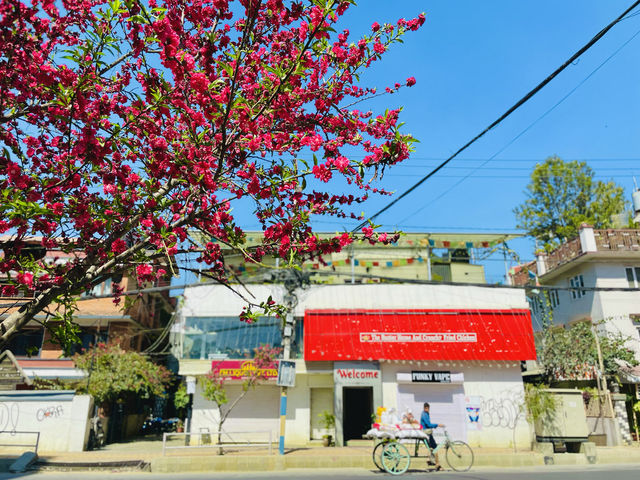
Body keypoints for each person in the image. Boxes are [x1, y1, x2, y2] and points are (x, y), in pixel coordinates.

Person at [420, 402, 445, 470]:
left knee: (431, 447)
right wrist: (438, 425)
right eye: (427, 408)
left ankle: (429, 459)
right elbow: (428, 425)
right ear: (425, 408)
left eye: (428, 408)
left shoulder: (425, 414)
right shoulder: (424, 414)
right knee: (435, 447)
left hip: (427, 433)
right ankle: (437, 465)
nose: (428, 409)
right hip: (427, 433)